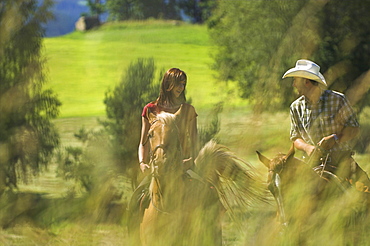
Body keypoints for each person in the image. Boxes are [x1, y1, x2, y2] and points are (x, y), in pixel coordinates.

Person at [282, 59, 370, 193]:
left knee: (365, 193)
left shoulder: (338, 99)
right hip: (311, 164)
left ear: (306, 81)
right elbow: (295, 138)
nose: (294, 85)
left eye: (295, 80)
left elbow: (354, 129)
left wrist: (335, 138)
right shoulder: (296, 107)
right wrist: (307, 147)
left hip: (342, 161)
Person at [138, 67, 199, 173]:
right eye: (178, 84)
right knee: (140, 190)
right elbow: (143, 142)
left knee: (205, 187)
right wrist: (142, 162)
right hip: (157, 168)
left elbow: (195, 142)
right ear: (168, 84)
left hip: (182, 168)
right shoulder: (150, 109)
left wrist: (190, 160)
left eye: (183, 84)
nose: (181, 87)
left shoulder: (188, 110)